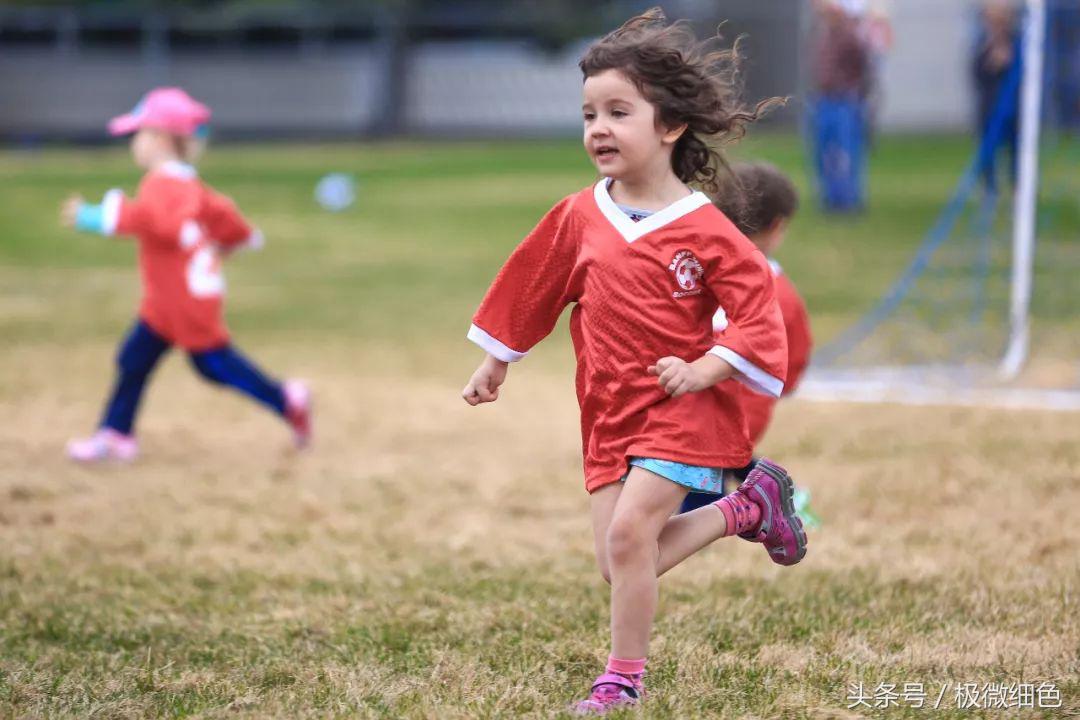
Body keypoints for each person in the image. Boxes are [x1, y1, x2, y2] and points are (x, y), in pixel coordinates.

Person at [460, 9, 806, 713]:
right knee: (617, 560)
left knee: (628, 537)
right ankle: (749, 505)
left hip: (683, 412)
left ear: (670, 126)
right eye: (588, 114)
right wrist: (498, 361)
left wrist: (709, 369)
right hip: (607, 411)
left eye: (618, 112)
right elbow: (532, 287)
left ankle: (621, 680)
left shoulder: (708, 229)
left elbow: (756, 314)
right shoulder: (577, 217)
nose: (598, 129)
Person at [61, 87, 311, 462]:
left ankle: (286, 399)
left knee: (214, 367)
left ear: (161, 139)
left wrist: (94, 217)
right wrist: (236, 241)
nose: (135, 143)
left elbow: (158, 222)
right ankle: (116, 434)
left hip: (185, 305)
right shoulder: (187, 185)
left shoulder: (164, 185)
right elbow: (225, 217)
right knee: (134, 359)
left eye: (139, 134)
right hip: (166, 302)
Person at [680, 162, 814, 514]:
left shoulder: (694, 272)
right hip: (742, 405)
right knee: (715, 462)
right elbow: (796, 352)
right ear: (777, 226)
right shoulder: (782, 293)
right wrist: (784, 386)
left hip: (702, 403)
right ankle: (780, 496)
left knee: (703, 479)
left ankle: (707, 521)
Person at [810, 0, 871, 212]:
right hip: (824, 98)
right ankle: (830, 198)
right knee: (824, 152)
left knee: (845, 151)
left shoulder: (850, 35)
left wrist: (853, 89)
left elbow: (863, 65)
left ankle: (849, 200)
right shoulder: (824, 32)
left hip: (844, 99)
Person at [972, 0, 1021, 192]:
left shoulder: (1018, 41)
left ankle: (1018, 189)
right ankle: (989, 189)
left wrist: (1008, 60)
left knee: (1017, 151)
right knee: (988, 151)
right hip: (990, 106)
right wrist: (991, 63)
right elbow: (974, 74)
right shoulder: (981, 43)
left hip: (1014, 107)